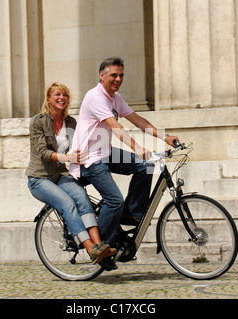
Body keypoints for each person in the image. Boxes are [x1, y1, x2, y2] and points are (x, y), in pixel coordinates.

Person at [69, 57, 179, 269]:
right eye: (113, 75)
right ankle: (103, 248)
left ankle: (132, 213)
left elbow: (137, 120)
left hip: (106, 152)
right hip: (88, 158)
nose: (118, 79)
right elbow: (115, 126)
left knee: (145, 166)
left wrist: (164, 136)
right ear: (102, 76)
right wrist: (137, 147)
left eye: (121, 76)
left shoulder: (115, 98)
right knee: (114, 200)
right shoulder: (95, 97)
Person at [26, 82, 116, 265]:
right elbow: (43, 153)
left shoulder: (71, 123)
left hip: (60, 176)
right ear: (49, 99)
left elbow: (82, 145)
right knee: (68, 203)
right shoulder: (38, 121)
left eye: (65, 95)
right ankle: (91, 249)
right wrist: (67, 157)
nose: (62, 98)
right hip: (39, 178)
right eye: (57, 94)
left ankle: (100, 246)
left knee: (82, 197)